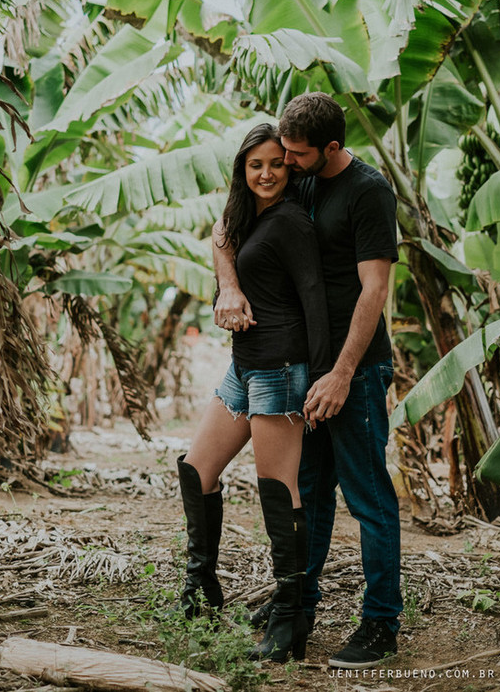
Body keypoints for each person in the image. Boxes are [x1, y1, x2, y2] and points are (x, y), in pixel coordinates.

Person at [212, 92, 402, 669]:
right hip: (309, 367)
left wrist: (343, 374)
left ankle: (380, 624)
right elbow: (227, 222)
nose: (285, 163)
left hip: (356, 369)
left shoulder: (368, 192)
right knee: (312, 491)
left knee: (368, 495)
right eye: (283, 153)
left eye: (296, 154)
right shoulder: (300, 177)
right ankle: (298, 604)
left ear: (332, 148)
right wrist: (230, 285)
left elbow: (374, 289)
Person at [177, 122, 331, 663]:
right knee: (197, 469)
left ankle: (291, 617)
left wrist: (325, 374)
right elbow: (222, 232)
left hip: (283, 369)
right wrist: (229, 284)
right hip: (244, 368)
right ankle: (202, 586)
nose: (266, 173)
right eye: (254, 165)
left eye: (275, 163)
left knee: (277, 490)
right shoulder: (248, 215)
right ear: (243, 170)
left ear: (290, 167)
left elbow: (314, 293)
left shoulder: (289, 221)